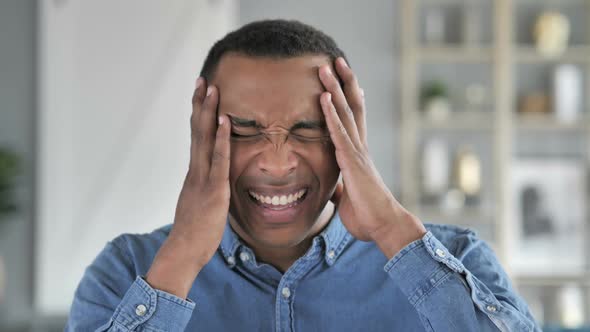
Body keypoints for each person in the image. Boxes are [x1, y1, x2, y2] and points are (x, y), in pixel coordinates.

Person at [66, 19, 541, 331]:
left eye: (309, 130)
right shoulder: (126, 272)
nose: (277, 163)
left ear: (349, 138)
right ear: (204, 135)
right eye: (246, 130)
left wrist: (392, 229)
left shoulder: (457, 258)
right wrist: (184, 256)